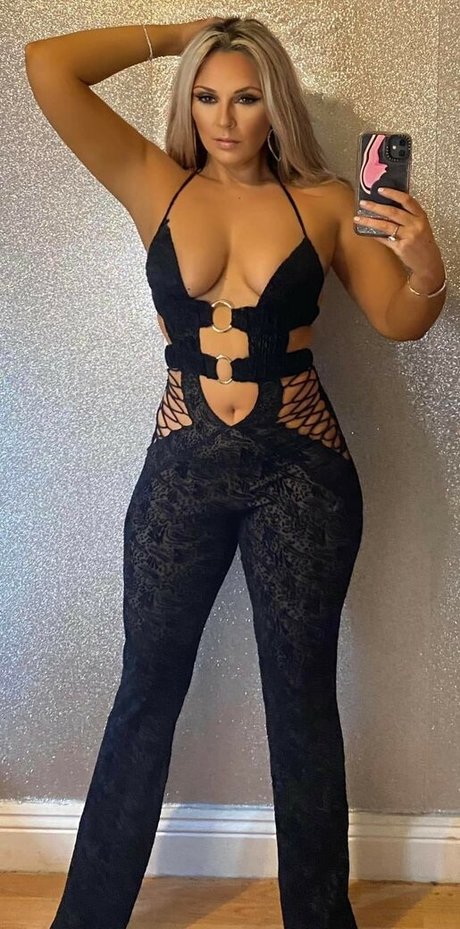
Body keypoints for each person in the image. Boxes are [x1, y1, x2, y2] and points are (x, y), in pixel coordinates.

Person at [24, 15, 447, 929]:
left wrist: (425, 269)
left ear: (275, 105)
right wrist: (182, 34)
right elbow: (46, 65)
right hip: (182, 471)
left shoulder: (326, 201)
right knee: (146, 689)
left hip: (304, 473)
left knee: (301, 700)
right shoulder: (153, 183)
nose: (224, 118)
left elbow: (398, 321)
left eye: (246, 97)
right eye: (207, 97)